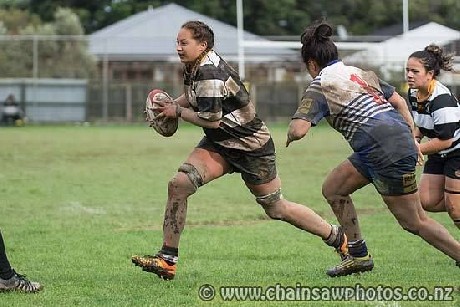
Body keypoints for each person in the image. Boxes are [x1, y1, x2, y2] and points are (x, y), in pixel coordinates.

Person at [131, 20, 349, 280]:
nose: (178, 48)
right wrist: (168, 106)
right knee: (179, 184)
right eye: (177, 42)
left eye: (184, 42)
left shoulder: (209, 71)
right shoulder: (194, 65)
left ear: (203, 45)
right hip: (221, 144)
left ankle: (338, 238)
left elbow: (210, 118)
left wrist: (175, 111)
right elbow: (194, 98)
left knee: (276, 208)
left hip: (251, 147)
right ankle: (167, 260)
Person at [286, 20, 460, 277]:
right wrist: (410, 134)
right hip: (376, 148)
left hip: (384, 152)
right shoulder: (361, 73)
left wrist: (290, 134)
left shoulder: (320, 85)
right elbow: (398, 101)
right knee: (333, 189)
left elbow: (299, 129)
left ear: (311, 64)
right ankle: (358, 256)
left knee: (414, 222)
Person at [405, 44, 460, 229]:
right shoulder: (413, 93)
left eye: (415, 71)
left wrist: (415, 149)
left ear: (430, 74)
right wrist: (415, 139)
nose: (409, 75)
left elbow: (447, 139)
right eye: (408, 70)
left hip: (456, 151)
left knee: (456, 210)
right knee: (426, 200)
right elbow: (421, 123)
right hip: (440, 152)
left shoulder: (441, 99)